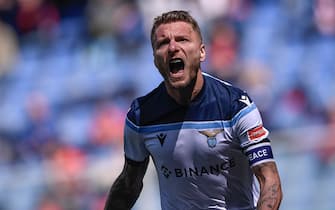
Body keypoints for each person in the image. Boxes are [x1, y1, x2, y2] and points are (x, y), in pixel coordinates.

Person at [104, 10, 282, 210]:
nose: (172, 47)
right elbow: (128, 185)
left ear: (202, 52)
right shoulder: (141, 117)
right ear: (155, 59)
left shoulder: (235, 106)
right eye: (163, 43)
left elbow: (269, 180)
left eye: (182, 39)